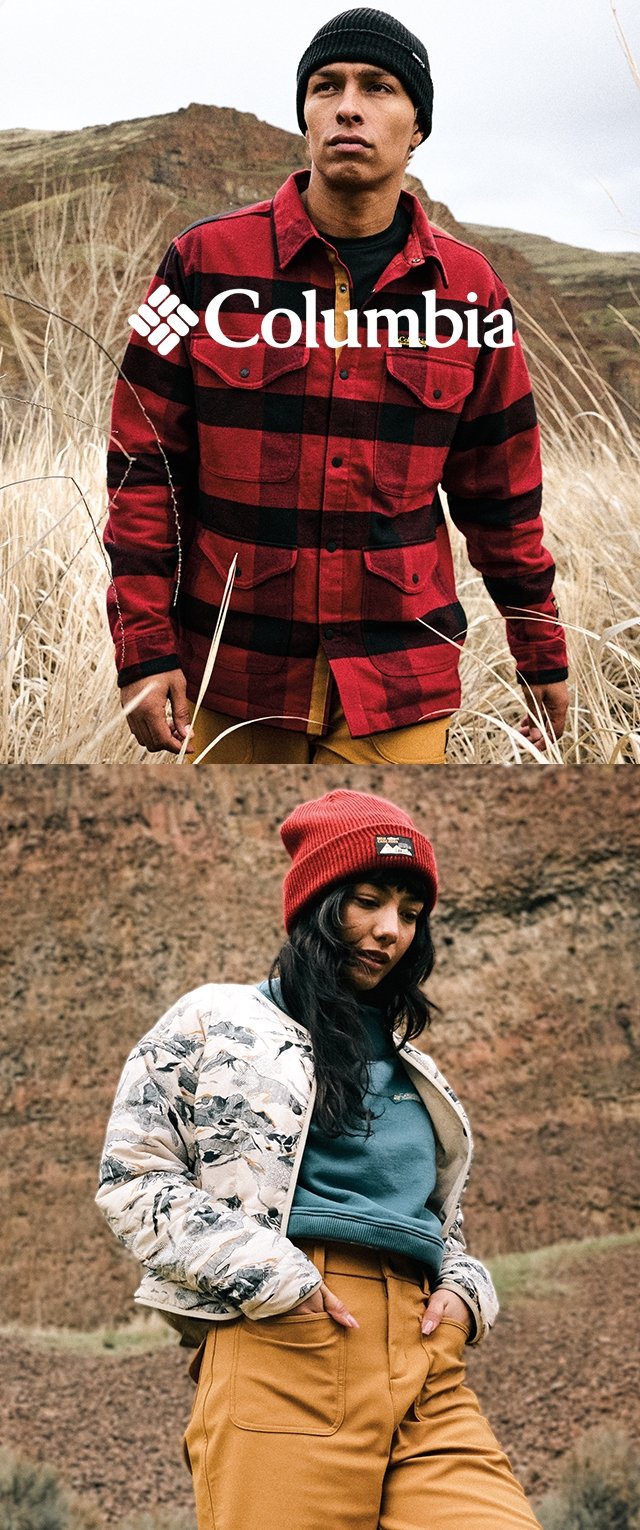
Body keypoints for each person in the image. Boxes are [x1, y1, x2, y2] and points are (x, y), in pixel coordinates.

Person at [104, 7, 569, 766]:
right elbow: (140, 471)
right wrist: (144, 653)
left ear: (417, 127)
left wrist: (540, 650)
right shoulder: (198, 265)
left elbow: (502, 496)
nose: (348, 104)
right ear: (306, 116)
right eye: (327, 86)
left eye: (379, 87)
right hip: (234, 680)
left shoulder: (472, 294)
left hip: (400, 686)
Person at [96, 787, 542, 1530]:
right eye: (367, 900)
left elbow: (436, 1222)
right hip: (290, 1345)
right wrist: (280, 1281)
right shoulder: (216, 1019)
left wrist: (465, 1294)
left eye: (409, 911)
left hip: (428, 1363)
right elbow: (131, 1179)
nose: (389, 930)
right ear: (316, 903)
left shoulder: (419, 1073)